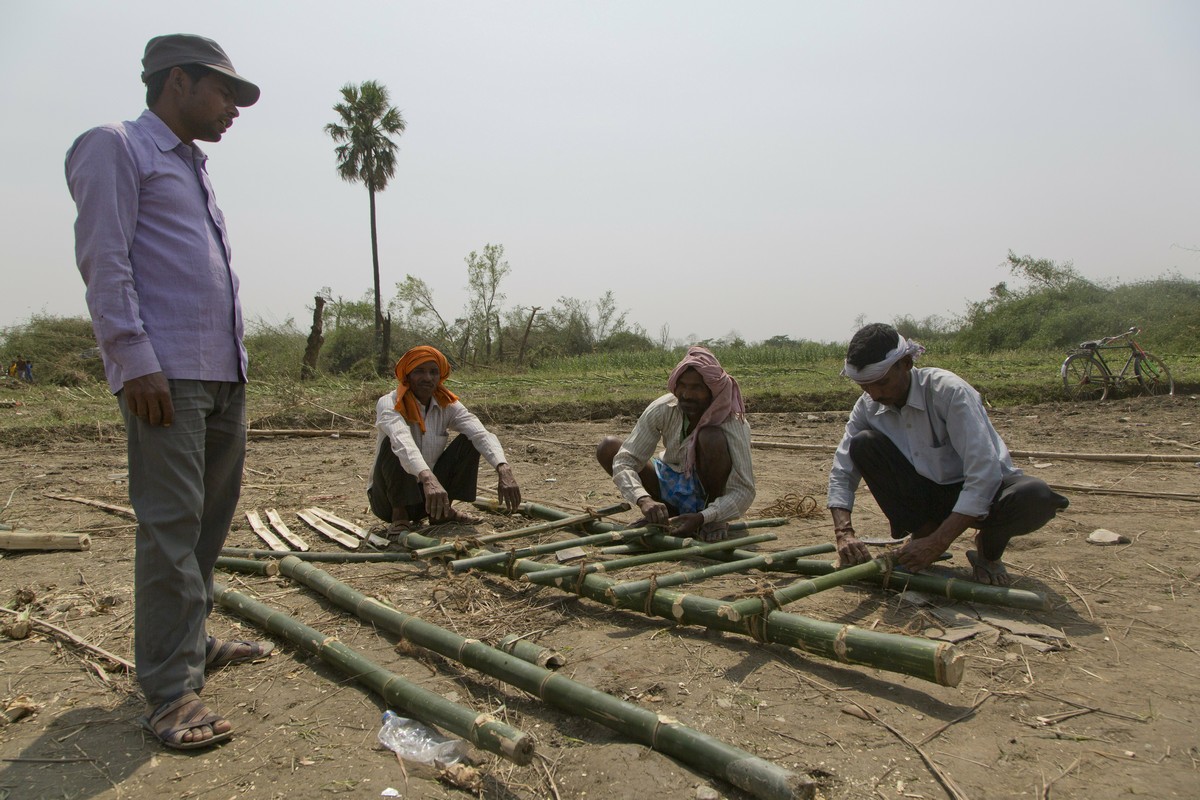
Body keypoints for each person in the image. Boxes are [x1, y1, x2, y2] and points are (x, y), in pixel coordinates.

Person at [65, 34, 271, 751]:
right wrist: (132, 359)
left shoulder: (193, 166)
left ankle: (194, 641)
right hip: (168, 375)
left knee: (208, 523)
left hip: (220, 373)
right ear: (176, 81)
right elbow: (105, 258)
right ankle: (169, 691)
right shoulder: (116, 146)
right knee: (170, 528)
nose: (232, 109)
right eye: (224, 93)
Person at [828, 323, 1068, 586]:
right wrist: (844, 532)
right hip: (928, 493)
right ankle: (923, 533)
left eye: (882, 382)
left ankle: (987, 550)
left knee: (1035, 496)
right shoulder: (868, 406)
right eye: (864, 386)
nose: (874, 394)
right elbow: (843, 469)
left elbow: (984, 473)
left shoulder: (949, 392)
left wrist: (940, 541)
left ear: (906, 363)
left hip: (984, 494)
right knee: (863, 444)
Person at [597, 346, 755, 542]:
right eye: (682, 385)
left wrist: (705, 516)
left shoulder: (733, 422)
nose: (687, 394)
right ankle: (666, 514)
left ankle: (710, 518)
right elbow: (625, 460)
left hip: (708, 496)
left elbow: (744, 490)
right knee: (609, 447)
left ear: (711, 390)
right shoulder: (664, 408)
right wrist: (643, 499)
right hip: (669, 481)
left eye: (696, 387)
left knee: (710, 437)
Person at [370, 346, 522, 534]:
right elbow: (402, 440)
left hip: (432, 497)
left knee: (469, 441)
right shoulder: (389, 402)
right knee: (393, 444)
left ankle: (442, 511)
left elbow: (480, 433)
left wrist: (503, 468)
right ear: (407, 375)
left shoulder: (447, 404)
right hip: (387, 499)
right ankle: (399, 515)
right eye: (419, 371)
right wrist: (427, 478)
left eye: (433, 372)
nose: (427, 378)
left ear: (440, 376)